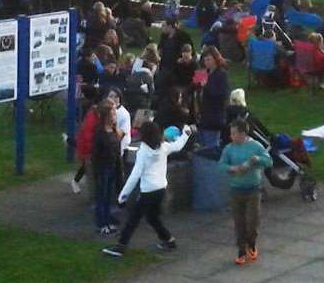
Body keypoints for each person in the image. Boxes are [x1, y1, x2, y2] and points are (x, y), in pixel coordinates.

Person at [102, 122, 194, 257]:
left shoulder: (143, 150)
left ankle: (121, 246)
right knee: (152, 218)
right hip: (161, 189)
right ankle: (169, 240)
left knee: (133, 220)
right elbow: (178, 145)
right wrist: (187, 133)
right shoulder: (164, 147)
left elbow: (135, 175)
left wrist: (123, 195)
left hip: (148, 191)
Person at [218, 118, 273, 266]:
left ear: (243, 133)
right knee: (239, 221)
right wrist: (232, 169)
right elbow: (221, 165)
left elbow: (269, 161)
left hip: (253, 189)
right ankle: (241, 250)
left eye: (234, 133)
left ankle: (252, 242)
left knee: (253, 220)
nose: (231, 136)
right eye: (231, 133)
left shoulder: (255, 146)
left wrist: (258, 159)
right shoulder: (229, 148)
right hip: (236, 189)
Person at [91, 100, 123, 236]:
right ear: (106, 116)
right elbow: (96, 154)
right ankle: (102, 224)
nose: (115, 115)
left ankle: (108, 220)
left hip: (112, 166)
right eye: (113, 113)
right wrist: (97, 171)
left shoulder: (114, 130)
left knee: (108, 196)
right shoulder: (100, 133)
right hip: (103, 168)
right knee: (102, 196)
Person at [198, 47, 229, 148]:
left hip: (214, 116)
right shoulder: (203, 73)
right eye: (205, 60)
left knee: (211, 147)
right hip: (202, 116)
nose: (206, 62)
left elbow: (222, 94)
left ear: (216, 59)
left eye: (209, 59)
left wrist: (206, 86)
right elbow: (193, 86)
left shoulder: (221, 74)